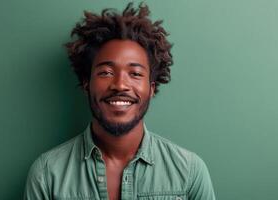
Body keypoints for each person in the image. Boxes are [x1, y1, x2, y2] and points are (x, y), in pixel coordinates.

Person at [24, 3, 215, 200]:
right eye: (106, 72)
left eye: (135, 73)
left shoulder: (190, 174)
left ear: (151, 88)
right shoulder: (47, 175)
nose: (120, 85)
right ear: (86, 83)